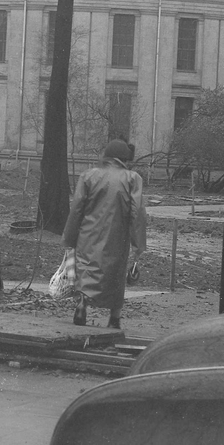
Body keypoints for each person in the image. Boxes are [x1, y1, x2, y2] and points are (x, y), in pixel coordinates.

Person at [62, 139, 147, 330]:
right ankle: (114, 317)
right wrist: (138, 243)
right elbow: (137, 212)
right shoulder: (132, 178)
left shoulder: (88, 176)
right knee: (115, 274)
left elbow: (76, 208)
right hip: (117, 236)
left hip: (88, 233)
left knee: (86, 269)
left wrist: (69, 237)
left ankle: (82, 306)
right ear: (125, 159)